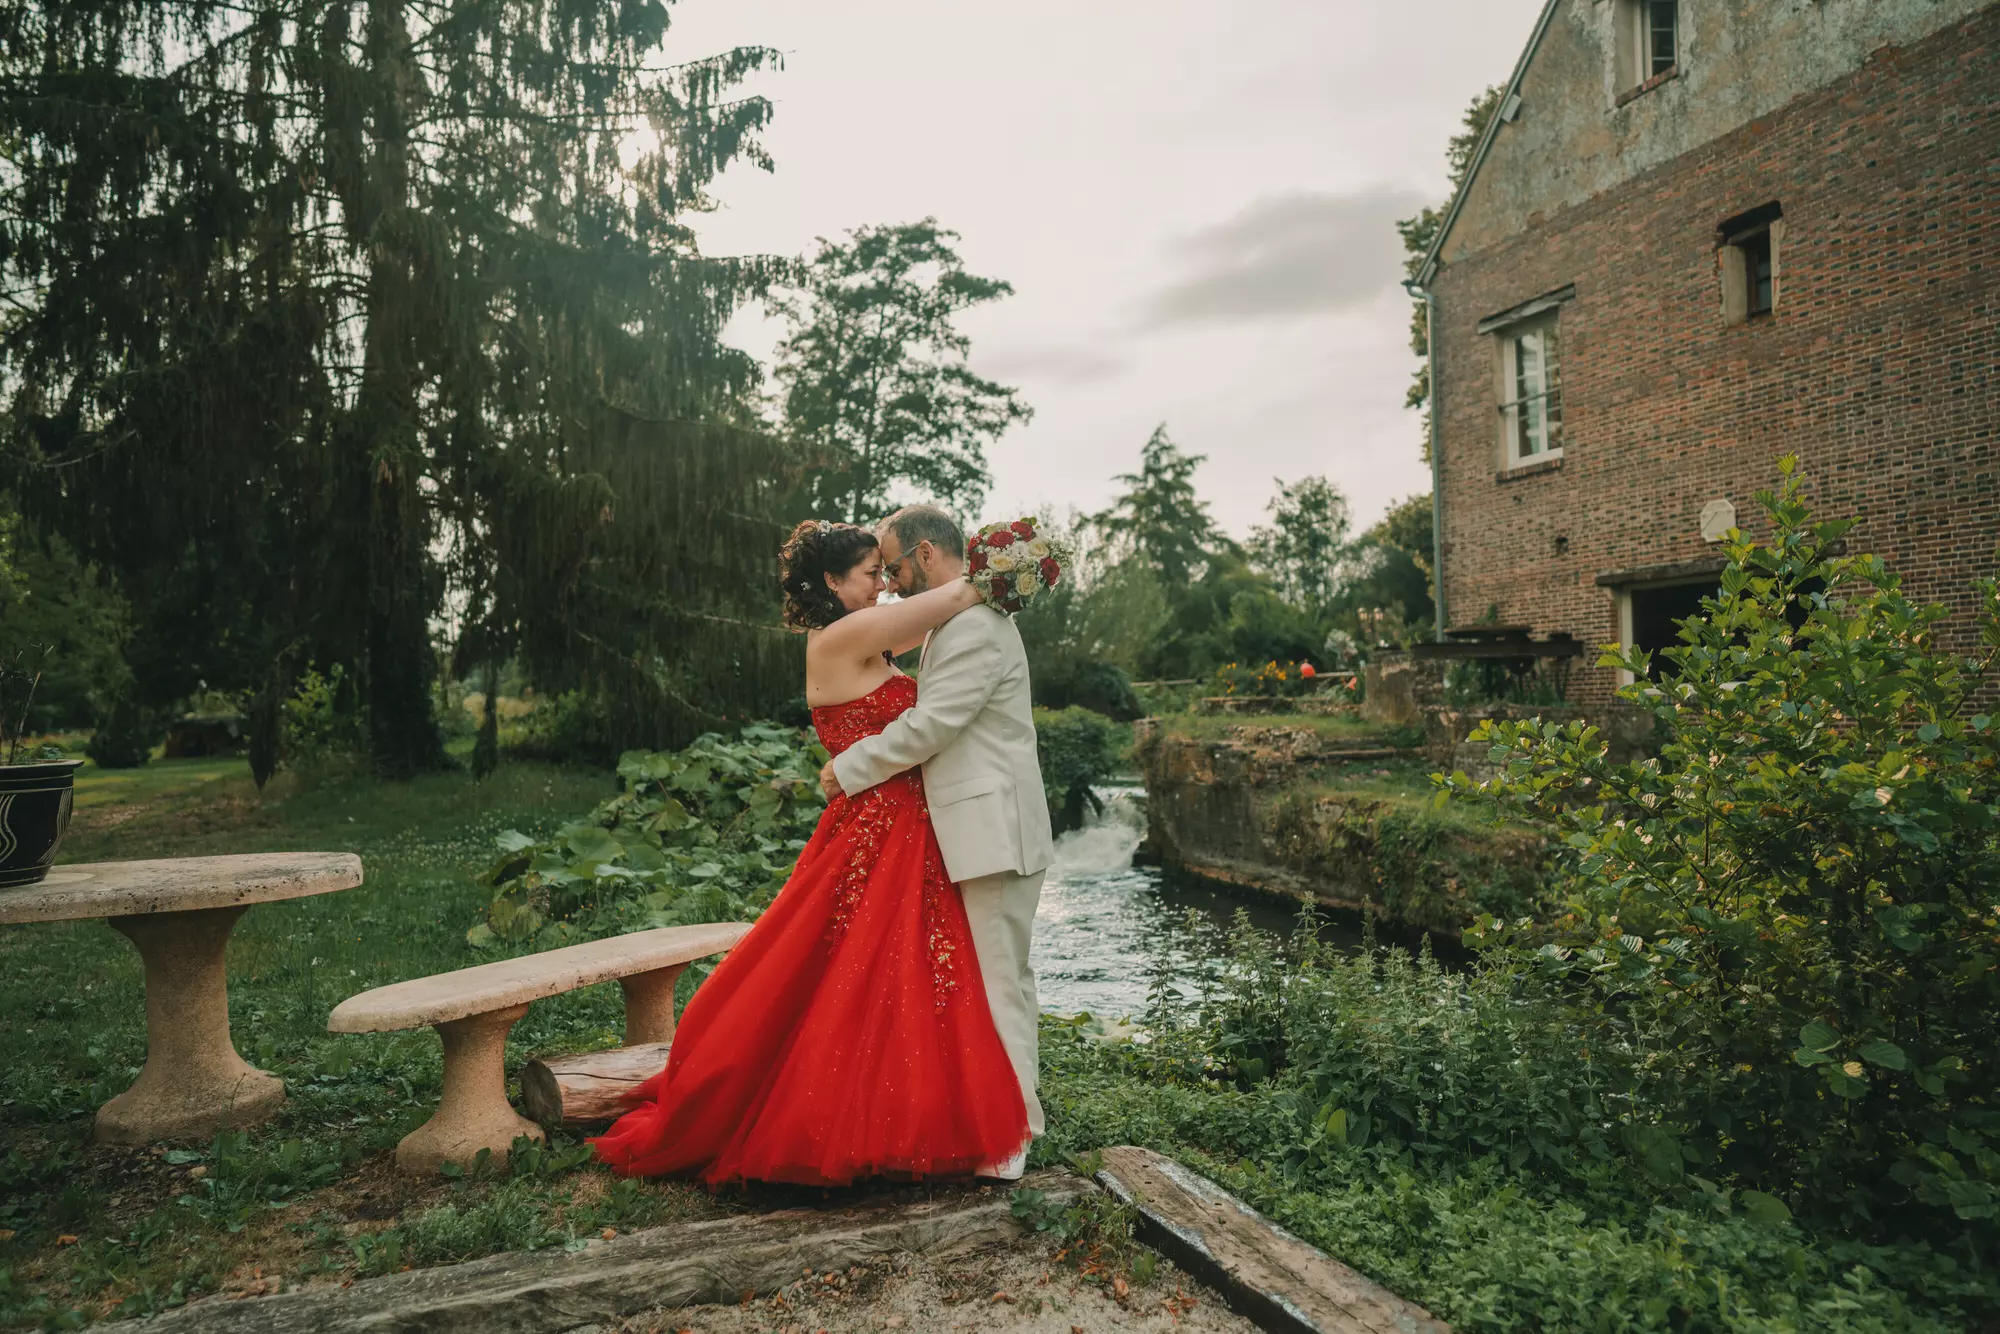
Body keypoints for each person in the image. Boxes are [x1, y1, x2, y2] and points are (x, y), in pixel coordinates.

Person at [591, 519, 1029, 1186]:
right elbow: (953, 600)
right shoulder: (848, 634)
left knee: (891, 975)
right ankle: (855, 1116)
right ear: (830, 581)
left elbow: (926, 623)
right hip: (881, 823)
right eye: (869, 573)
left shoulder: (866, 632)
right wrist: (1022, 564)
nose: (883, 584)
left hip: (907, 824)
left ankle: (915, 1113)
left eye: (887, 572)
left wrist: (988, 574)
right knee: (854, 973)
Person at [818, 504, 1055, 1181]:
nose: (889, 585)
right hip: (981, 829)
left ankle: (1011, 1140)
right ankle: (1008, 1121)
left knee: (999, 983)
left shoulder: (976, 627)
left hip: (993, 834)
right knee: (995, 980)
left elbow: (933, 724)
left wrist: (850, 769)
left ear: (925, 554)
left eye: (891, 568)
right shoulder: (954, 625)